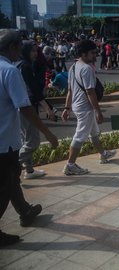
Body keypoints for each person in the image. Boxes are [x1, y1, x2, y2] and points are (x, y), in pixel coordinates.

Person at [0, 29, 59, 246]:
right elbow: (24, 107)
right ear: (13, 47)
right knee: (5, 184)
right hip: (4, 142)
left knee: (11, 178)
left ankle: (25, 210)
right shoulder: (10, 70)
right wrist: (49, 133)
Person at [61, 40, 117, 175]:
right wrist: (98, 111)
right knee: (80, 136)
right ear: (84, 54)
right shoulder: (86, 69)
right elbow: (90, 92)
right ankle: (70, 165)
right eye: (92, 53)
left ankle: (103, 154)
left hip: (78, 106)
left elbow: (70, 90)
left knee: (93, 132)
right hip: (85, 108)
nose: (95, 56)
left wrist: (67, 108)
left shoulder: (73, 67)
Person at [17, 41, 57, 179]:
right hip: (26, 108)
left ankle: (29, 170)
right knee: (33, 142)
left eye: (36, 50)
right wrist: (47, 108)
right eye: (32, 51)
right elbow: (34, 90)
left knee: (25, 139)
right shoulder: (25, 66)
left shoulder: (19, 64)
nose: (35, 53)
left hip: (20, 107)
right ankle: (10, 166)